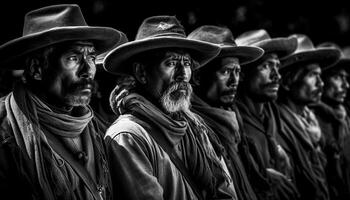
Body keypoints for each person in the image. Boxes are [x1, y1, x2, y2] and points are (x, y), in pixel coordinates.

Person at [0, 4, 127, 200]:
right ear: (36, 68)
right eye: (73, 58)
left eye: (91, 57)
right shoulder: (6, 134)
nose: (88, 70)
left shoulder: (96, 127)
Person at [103, 16, 236, 200]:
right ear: (142, 72)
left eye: (187, 64)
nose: (182, 75)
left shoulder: (195, 126)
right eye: (172, 63)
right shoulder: (128, 135)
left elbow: (226, 191)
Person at [187, 25, 264, 200]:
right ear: (198, 77)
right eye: (226, 71)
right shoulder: (193, 128)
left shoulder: (233, 119)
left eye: (237, 71)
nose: (234, 81)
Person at [235, 29, 300, 199]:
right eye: (266, 66)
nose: (276, 76)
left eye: (277, 66)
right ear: (242, 73)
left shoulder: (273, 115)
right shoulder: (234, 121)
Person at [277, 34, 341, 200]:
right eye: (312, 75)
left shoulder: (312, 121)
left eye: (320, 76)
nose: (321, 83)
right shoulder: (277, 127)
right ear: (288, 81)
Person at [309, 42, 350, 200]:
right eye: (337, 77)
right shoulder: (314, 120)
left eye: (345, 78)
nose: (345, 85)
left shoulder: (344, 116)